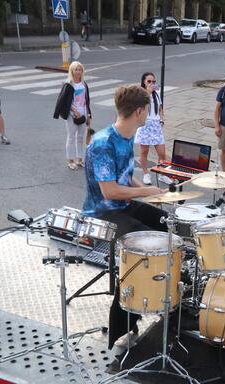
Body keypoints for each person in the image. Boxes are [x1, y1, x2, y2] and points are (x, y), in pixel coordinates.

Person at [81, 84, 166, 348]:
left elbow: (125, 178)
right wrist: (145, 191)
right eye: (147, 112)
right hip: (103, 212)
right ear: (140, 112)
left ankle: (164, 293)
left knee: (167, 226)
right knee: (143, 252)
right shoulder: (104, 142)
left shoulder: (127, 137)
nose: (148, 116)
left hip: (122, 205)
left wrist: (149, 190)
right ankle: (123, 327)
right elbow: (109, 190)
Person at [53, 61, 92, 170]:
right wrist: (74, 110)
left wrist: (89, 115)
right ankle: (70, 160)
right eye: (76, 69)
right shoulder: (68, 85)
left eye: (80, 69)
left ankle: (80, 159)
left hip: (83, 113)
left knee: (80, 137)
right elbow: (63, 101)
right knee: (71, 137)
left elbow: (87, 101)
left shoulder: (84, 84)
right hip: (71, 115)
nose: (78, 72)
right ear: (72, 71)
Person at [135, 72, 166, 185]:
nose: (152, 83)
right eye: (149, 81)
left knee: (162, 153)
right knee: (144, 151)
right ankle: (145, 174)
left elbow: (160, 108)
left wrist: (161, 119)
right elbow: (140, 108)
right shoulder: (140, 94)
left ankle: (162, 174)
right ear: (144, 82)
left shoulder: (157, 93)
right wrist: (148, 92)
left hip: (156, 125)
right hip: (145, 124)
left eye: (153, 81)